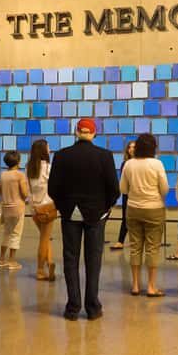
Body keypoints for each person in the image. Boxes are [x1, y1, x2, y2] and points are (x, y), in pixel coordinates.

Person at [48, 118, 120, 321]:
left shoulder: (62, 156)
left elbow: (53, 188)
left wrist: (64, 207)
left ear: (76, 132)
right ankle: (92, 307)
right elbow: (114, 189)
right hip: (95, 215)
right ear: (94, 134)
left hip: (70, 214)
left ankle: (72, 307)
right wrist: (104, 208)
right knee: (93, 260)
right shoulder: (104, 156)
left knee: (70, 260)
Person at [119, 133, 169, 297]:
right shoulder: (157, 164)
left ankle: (135, 285)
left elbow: (123, 190)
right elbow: (165, 189)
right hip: (154, 208)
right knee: (152, 248)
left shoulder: (129, 164)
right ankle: (151, 286)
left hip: (133, 208)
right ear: (153, 147)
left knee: (135, 247)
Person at [27, 139, 56, 281]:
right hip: (48, 206)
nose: (49, 149)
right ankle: (40, 270)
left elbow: (28, 190)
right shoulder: (48, 167)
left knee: (45, 236)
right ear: (44, 150)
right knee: (45, 238)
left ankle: (50, 262)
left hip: (34, 208)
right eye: (48, 147)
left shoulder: (29, 167)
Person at [0, 150, 29, 270]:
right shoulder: (20, 175)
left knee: (6, 232)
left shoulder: (3, 175)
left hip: (6, 208)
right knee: (16, 234)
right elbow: (25, 193)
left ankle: (1, 259)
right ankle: (12, 260)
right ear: (18, 161)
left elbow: (0, 192)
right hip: (18, 208)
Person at [109, 140, 135, 251]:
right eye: (130, 147)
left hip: (137, 195)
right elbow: (123, 182)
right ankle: (120, 241)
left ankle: (135, 241)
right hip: (127, 194)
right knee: (125, 218)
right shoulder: (125, 163)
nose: (132, 149)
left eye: (134, 147)